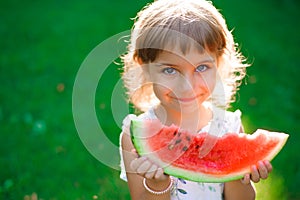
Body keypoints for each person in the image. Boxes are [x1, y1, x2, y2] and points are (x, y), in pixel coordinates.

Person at [119, 0, 273, 199]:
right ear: (144, 67)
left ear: (218, 63)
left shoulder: (228, 125)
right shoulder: (135, 135)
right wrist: (158, 183)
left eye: (201, 68)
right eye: (170, 70)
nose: (187, 86)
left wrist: (237, 173)